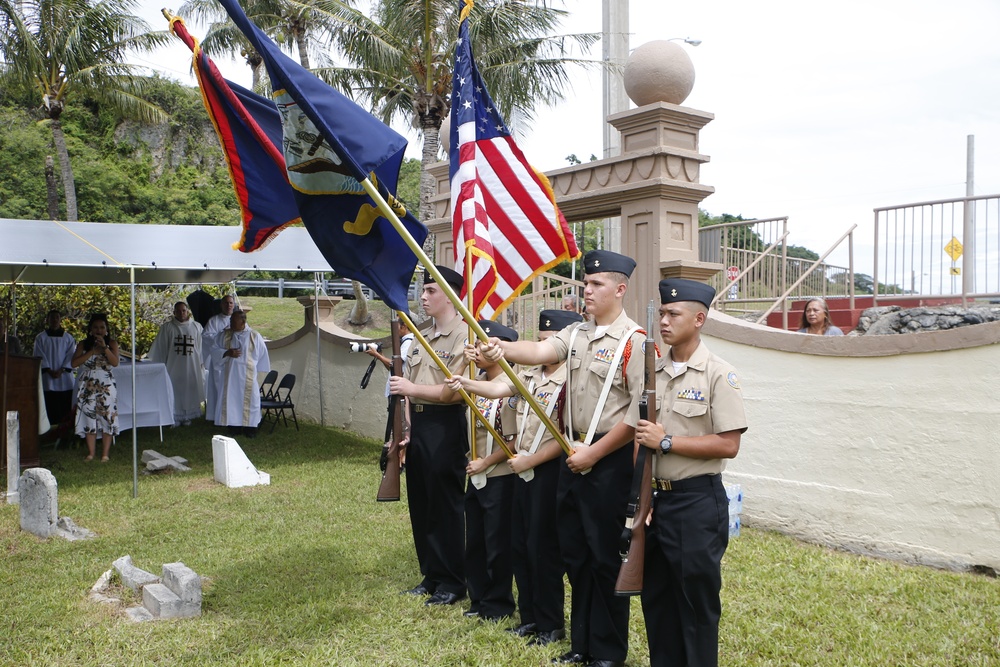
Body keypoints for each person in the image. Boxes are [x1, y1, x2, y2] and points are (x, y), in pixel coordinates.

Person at [481, 250, 645, 667]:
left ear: (619, 289)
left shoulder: (634, 342)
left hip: (607, 459)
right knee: (576, 555)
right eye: (585, 285)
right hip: (574, 456)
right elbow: (537, 353)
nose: (586, 291)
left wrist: (596, 451)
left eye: (596, 285)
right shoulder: (575, 335)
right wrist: (502, 347)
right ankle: (582, 644)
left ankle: (608, 652)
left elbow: (635, 415)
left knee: (605, 558)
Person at [448, 309, 582, 647]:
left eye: (549, 341)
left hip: (546, 469)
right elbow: (495, 391)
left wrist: (530, 460)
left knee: (543, 549)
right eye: (539, 340)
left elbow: (565, 438)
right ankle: (530, 618)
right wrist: (463, 381)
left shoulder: (572, 380)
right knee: (521, 546)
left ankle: (551, 623)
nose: (543, 346)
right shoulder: (530, 375)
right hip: (522, 468)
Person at [634, 278, 748, 667]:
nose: (664, 321)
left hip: (697, 502)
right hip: (658, 502)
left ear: (698, 319)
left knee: (695, 608)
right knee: (659, 603)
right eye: (662, 313)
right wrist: (643, 499)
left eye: (673, 314)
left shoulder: (718, 374)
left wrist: (668, 442)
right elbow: (640, 439)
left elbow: (728, 444)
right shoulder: (655, 373)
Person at [387, 266, 469, 607]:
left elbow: (453, 392)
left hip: (445, 424)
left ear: (450, 295)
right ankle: (431, 574)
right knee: (420, 503)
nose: (423, 296)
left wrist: (410, 387)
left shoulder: (465, 335)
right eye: (424, 290)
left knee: (444, 505)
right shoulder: (423, 336)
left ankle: (452, 580)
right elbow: (408, 393)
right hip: (418, 426)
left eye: (431, 290)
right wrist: (404, 429)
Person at [459, 320, 519, 622]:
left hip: (498, 476)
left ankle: (498, 604)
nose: (478, 350)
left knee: (497, 544)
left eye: (486, 344)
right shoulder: (476, 379)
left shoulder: (511, 388)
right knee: (476, 543)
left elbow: (513, 441)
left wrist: (485, 462)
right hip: (475, 474)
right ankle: (478, 598)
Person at [212, 309, 270, 437]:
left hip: (247, 377)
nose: (231, 322)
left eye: (234, 320)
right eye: (231, 320)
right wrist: (227, 353)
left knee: (251, 401)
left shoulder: (254, 336)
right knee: (231, 400)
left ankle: (250, 428)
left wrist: (252, 365)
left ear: (243, 321)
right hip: (230, 376)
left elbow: (262, 354)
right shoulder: (224, 335)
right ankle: (234, 427)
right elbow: (214, 350)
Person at [72, 313, 120, 462]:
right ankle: (91, 453)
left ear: (106, 330)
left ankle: (105, 454)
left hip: (106, 385)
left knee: (107, 416)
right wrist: (92, 351)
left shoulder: (112, 344)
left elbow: (115, 362)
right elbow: (74, 363)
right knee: (88, 417)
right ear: (90, 330)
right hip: (88, 384)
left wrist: (104, 348)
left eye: (102, 327)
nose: (99, 330)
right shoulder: (83, 344)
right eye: (96, 327)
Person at [148, 301, 205, 426]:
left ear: (188, 311)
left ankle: (187, 416)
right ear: (174, 312)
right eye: (178, 311)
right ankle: (173, 416)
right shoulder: (167, 327)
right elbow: (160, 348)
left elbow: (201, 348)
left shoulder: (197, 327)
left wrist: (201, 362)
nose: (181, 313)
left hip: (191, 366)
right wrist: (160, 364)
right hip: (173, 366)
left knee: (189, 390)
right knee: (173, 390)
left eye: (184, 310)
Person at [33, 309, 76, 429]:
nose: (55, 320)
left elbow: (71, 355)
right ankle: (49, 430)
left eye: (57, 317)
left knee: (64, 405)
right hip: (48, 377)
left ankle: (65, 430)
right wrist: (49, 370)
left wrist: (62, 370)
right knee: (49, 405)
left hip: (64, 379)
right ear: (47, 320)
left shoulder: (68, 338)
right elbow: (38, 355)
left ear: (60, 320)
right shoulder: (40, 338)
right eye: (52, 318)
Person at [203, 294, 236, 422]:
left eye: (231, 303)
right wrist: (222, 336)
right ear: (221, 305)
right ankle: (217, 415)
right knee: (218, 388)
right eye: (226, 303)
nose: (228, 305)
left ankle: (231, 415)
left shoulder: (238, 320)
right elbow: (206, 336)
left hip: (233, 362)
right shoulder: (214, 321)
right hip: (219, 361)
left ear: (234, 305)